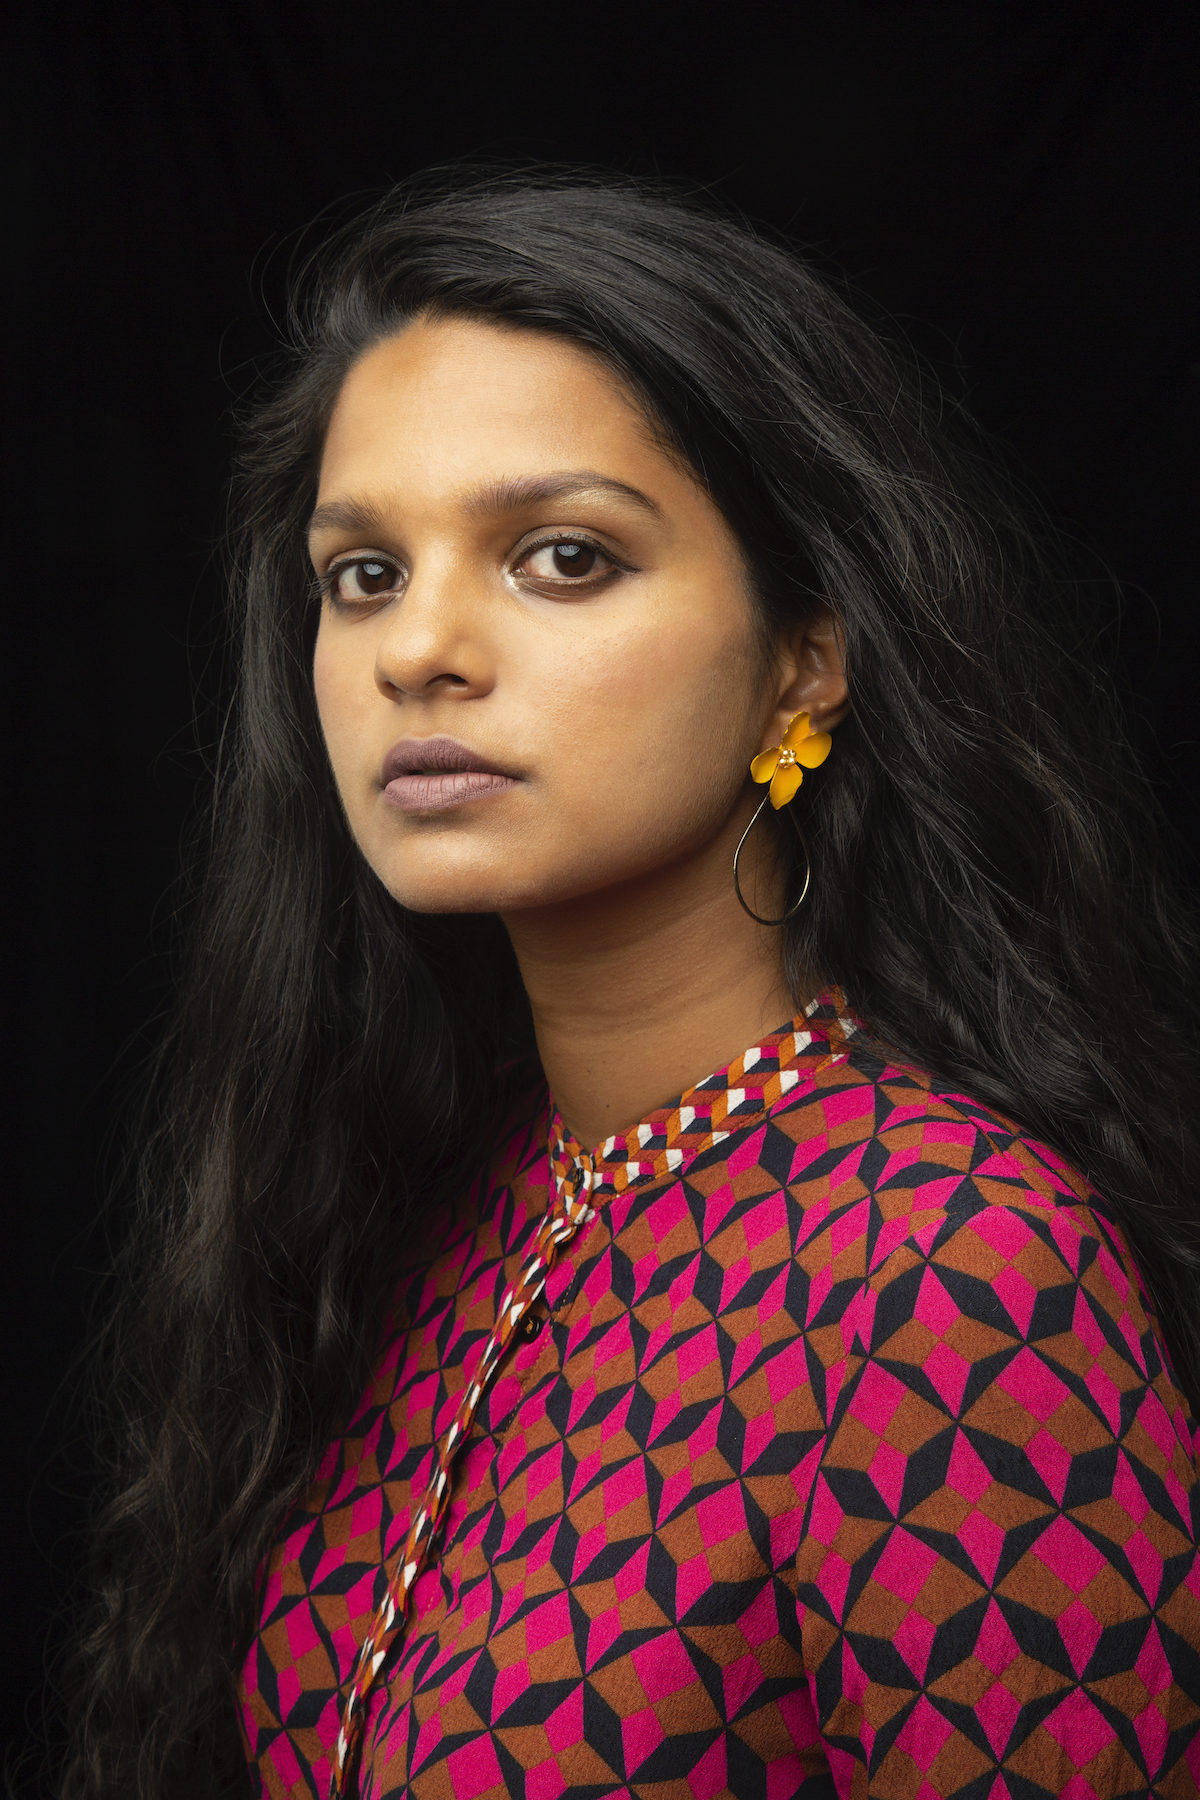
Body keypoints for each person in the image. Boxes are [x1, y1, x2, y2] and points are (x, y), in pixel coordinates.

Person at [63, 171, 1200, 1800]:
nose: (416, 651)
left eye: (563, 558)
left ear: (807, 658)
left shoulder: (951, 1272)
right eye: (362, 573)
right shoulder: (451, 1203)